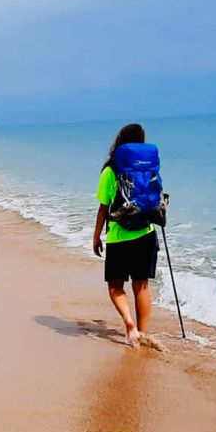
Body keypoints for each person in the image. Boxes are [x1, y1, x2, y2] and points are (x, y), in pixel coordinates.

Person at [92, 123, 164, 350]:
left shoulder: (110, 170)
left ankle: (129, 324)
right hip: (146, 233)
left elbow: (103, 207)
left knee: (115, 287)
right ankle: (142, 334)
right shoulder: (150, 167)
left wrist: (96, 237)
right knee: (141, 286)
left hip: (119, 237)